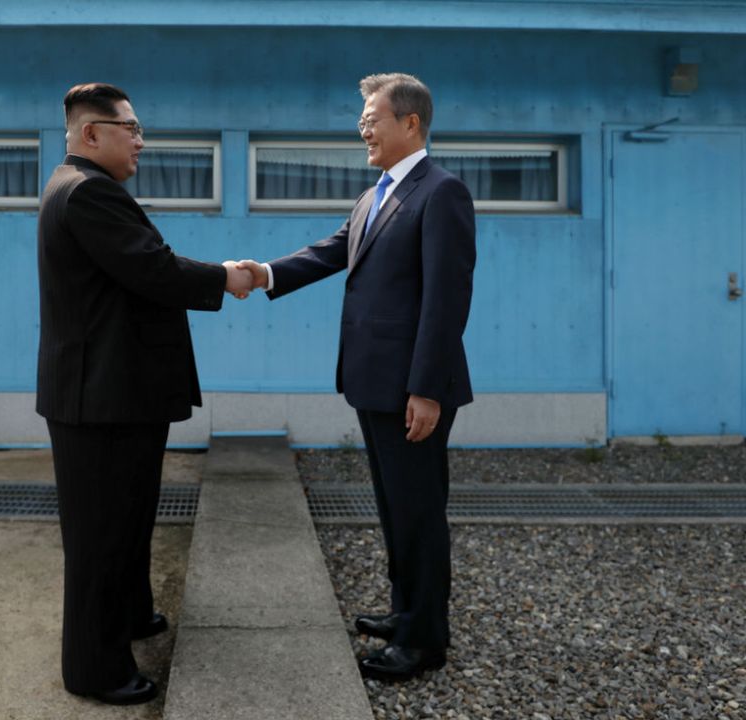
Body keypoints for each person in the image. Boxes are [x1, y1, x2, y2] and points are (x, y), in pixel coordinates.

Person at [238, 73, 476, 682]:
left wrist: (425, 389)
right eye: (363, 119)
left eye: (373, 117)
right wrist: (263, 272)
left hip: (411, 388)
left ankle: (424, 641)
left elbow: (446, 302)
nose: (362, 128)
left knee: (419, 511)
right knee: (395, 507)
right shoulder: (377, 194)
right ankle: (405, 612)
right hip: (373, 381)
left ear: (411, 123)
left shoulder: (441, 192)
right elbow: (332, 250)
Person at [36, 82, 255, 705]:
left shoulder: (89, 190)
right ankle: (94, 669)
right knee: (100, 538)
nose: (140, 139)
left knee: (128, 521)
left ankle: (132, 615)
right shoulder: (85, 193)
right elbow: (154, 269)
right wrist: (227, 278)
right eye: (128, 128)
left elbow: (142, 265)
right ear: (90, 134)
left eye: (139, 128)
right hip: (98, 400)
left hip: (116, 394)